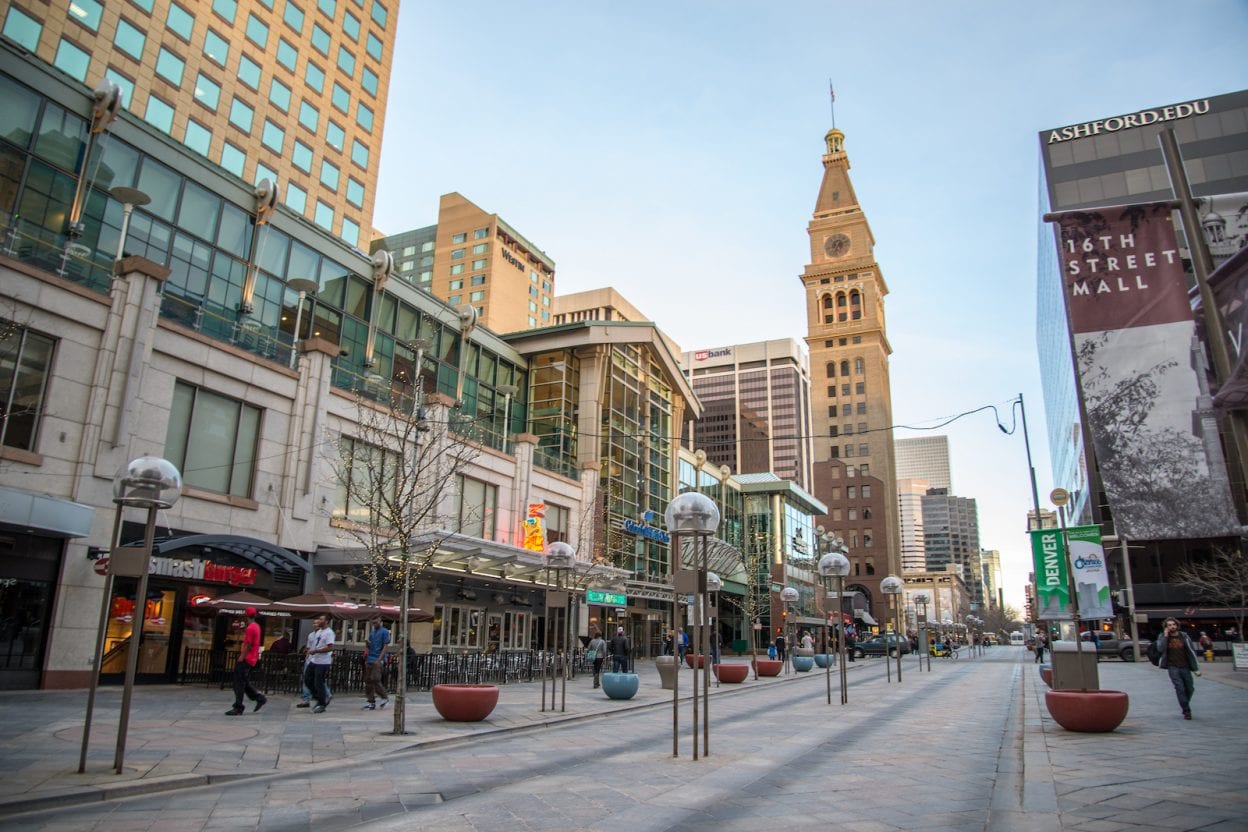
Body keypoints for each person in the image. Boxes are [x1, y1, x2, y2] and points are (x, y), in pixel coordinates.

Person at [1156, 618, 1201, 719]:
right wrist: (1166, 636)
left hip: (1185, 666)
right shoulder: (1163, 636)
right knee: (1179, 688)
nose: (1172, 626)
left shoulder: (1184, 636)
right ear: (1166, 627)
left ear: (1177, 625)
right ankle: (1186, 711)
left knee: (1190, 688)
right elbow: (1160, 649)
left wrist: (1195, 668)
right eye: (1169, 625)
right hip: (1173, 667)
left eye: (1173, 624)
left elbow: (1191, 652)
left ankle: (1184, 702)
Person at [226, 608, 267, 716]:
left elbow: (248, 644)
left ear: (246, 615)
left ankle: (238, 706)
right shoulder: (256, 626)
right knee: (243, 681)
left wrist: (242, 657)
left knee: (238, 683)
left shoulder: (250, 628)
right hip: (252, 658)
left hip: (246, 658)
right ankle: (259, 698)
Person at [303, 615, 335, 713]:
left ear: (326, 621)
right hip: (314, 660)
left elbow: (330, 647)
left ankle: (321, 703)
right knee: (307, 679)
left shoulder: (329, 633)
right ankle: (319, 697)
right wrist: (310, 652)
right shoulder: (319, 632)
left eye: (321, 619)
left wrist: (317, 651)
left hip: (323, 661)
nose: (318, 621)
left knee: (319, 682)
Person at [361, 617, 391, 710]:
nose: (374, 624)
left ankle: (384, 697)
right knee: (368, 680)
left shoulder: (385, 632)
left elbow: (385, 646)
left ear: (380, 622)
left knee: (375, 678)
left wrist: (380, 658)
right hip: (370, 658)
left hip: (377, 658)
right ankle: (371, 701)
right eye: (373, 622)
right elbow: (369, 646)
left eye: (376, 622)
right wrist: (367, 644)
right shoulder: (372, 633)